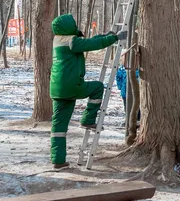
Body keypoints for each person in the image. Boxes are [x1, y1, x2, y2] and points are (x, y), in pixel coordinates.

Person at [50, 14, 124, 168]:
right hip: (72, 86)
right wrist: (114, 38)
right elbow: (90, 45)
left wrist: (102, 36)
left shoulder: (58, 40)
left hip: (57, 89)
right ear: (68, 26)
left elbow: (86, 42)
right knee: (97, 87)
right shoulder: (72, 42)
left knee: (58, 127)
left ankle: (58, 160)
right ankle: (88, 119)